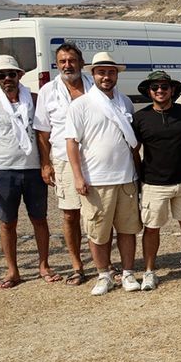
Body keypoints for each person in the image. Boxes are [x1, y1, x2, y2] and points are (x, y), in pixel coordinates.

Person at [0, 55, 55, 288]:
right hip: (3, 171)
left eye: (11, 74)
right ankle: (12, 271)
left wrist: (46, 164)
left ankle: (44, 265)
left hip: (33, 169)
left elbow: (44, 134)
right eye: (2, 75)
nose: (7, 78)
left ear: (19, 75)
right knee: (7, 222)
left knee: (40, 219)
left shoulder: (35, 100)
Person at [64, 53, 142, 295]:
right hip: (96, 179)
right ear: (93, 74)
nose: (106, 77)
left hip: (126, 178)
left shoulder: (125, 102)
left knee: (128, 229)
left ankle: (127, 273)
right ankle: (104, 275)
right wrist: (78, 177)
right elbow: (71, 142)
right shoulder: (80, 105)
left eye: (110, 72)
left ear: (116, 74)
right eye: (101, 72)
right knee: (98, 232)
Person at [131, 71, 181, 287]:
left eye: (164, 86)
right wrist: (138, 177)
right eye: (155, 87)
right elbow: (134, 150)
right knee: (151, 228)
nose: (160, 91)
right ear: (149, 91)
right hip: (153, 183)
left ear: (172, 90)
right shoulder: (141, 117)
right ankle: (149, 271)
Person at [32, 42, 92, 286]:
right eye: (62, 61)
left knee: (98, 214)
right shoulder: (48, 91)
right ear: (57, 64)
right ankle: (77, 266)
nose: (67, 65)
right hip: (63, 160)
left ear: (81, 63)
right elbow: (42, 131)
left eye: (72, 60)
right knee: (70, 215)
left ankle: (106, 264)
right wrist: (46, 164)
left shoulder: (95, 86)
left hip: (95, 159)